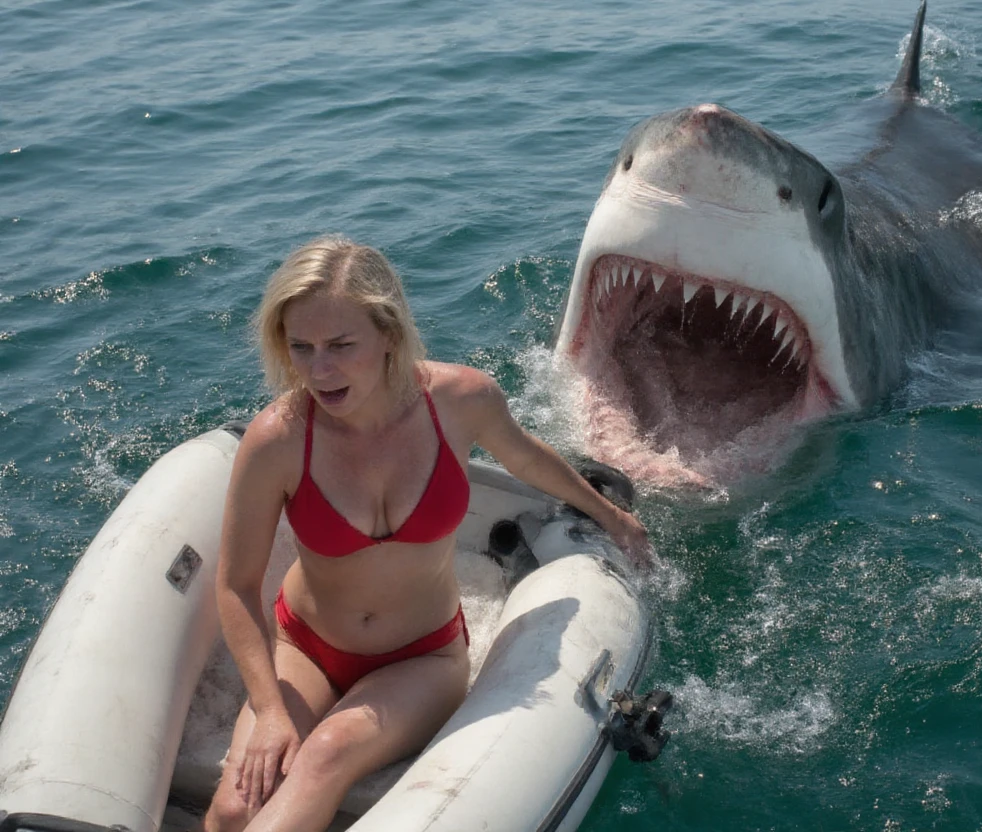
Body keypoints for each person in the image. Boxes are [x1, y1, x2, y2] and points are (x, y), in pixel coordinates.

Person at [203, 236, 649, 832]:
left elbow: (527, 460)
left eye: (340, 345)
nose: (319, 370)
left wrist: (614, 518)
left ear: (387, 333)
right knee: (234, 809)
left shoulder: (460, 399)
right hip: (306, 645)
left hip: (423, 656)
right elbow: (235, 585)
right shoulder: (279, 439)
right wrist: (268, 710)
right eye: (301, 347)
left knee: (327, 756)